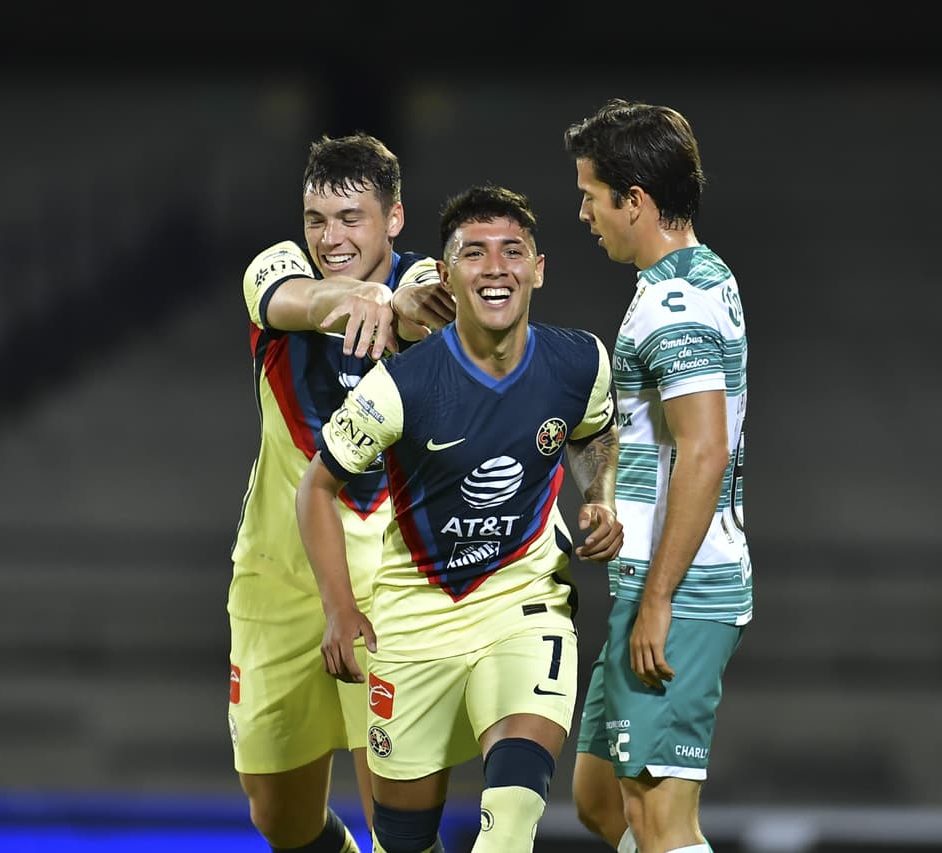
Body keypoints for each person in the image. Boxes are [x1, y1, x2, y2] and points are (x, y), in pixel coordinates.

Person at [295, 183, 624, 853]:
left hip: (524, 604)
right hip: (416, 617)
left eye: (512, 251)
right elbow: (315, 488)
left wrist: (600, 495)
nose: (496, 267)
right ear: (446, 276)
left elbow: (595, 433)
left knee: (510, 823)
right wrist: (340, 608)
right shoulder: (399, 385)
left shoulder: (581, 361)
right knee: (402, 842)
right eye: (474, 253)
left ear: (538, 268)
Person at [228, 131, 456, 853]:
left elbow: (428, 313)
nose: (331, 238)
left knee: (397, 821)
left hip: (392, 588)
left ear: (394, 218)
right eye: (317, 219)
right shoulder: (279, 267)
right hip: (276, 581)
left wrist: (403, 307)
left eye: (351, 218)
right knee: (278, 817)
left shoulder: (431, 280)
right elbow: (290, 300)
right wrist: (365, 297)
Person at [563, 99, 753, 853]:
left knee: (660, 823)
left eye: (591, 196)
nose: (584, 214)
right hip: (652, 576)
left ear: (634, 200)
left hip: (683, 587)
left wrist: (659, 599)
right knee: (598, 799)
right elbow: (660, 439)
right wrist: (609, 494)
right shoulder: (689, 279)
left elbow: (704, 452)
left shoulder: (676, 305)